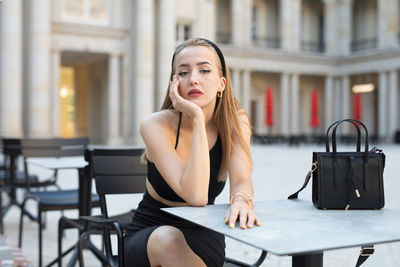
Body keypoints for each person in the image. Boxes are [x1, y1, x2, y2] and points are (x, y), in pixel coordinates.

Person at [124, 37, 261, 267]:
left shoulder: (235, 121)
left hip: (204, 235)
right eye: (184, 72)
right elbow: (197, 197)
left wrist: (241, 200)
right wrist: (197, 118)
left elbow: (241, 179)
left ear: (222, 84)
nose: (193, 80)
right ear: (173, 83)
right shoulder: (155, 125)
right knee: (169, 239)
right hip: (152, 236)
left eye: (204, 70)